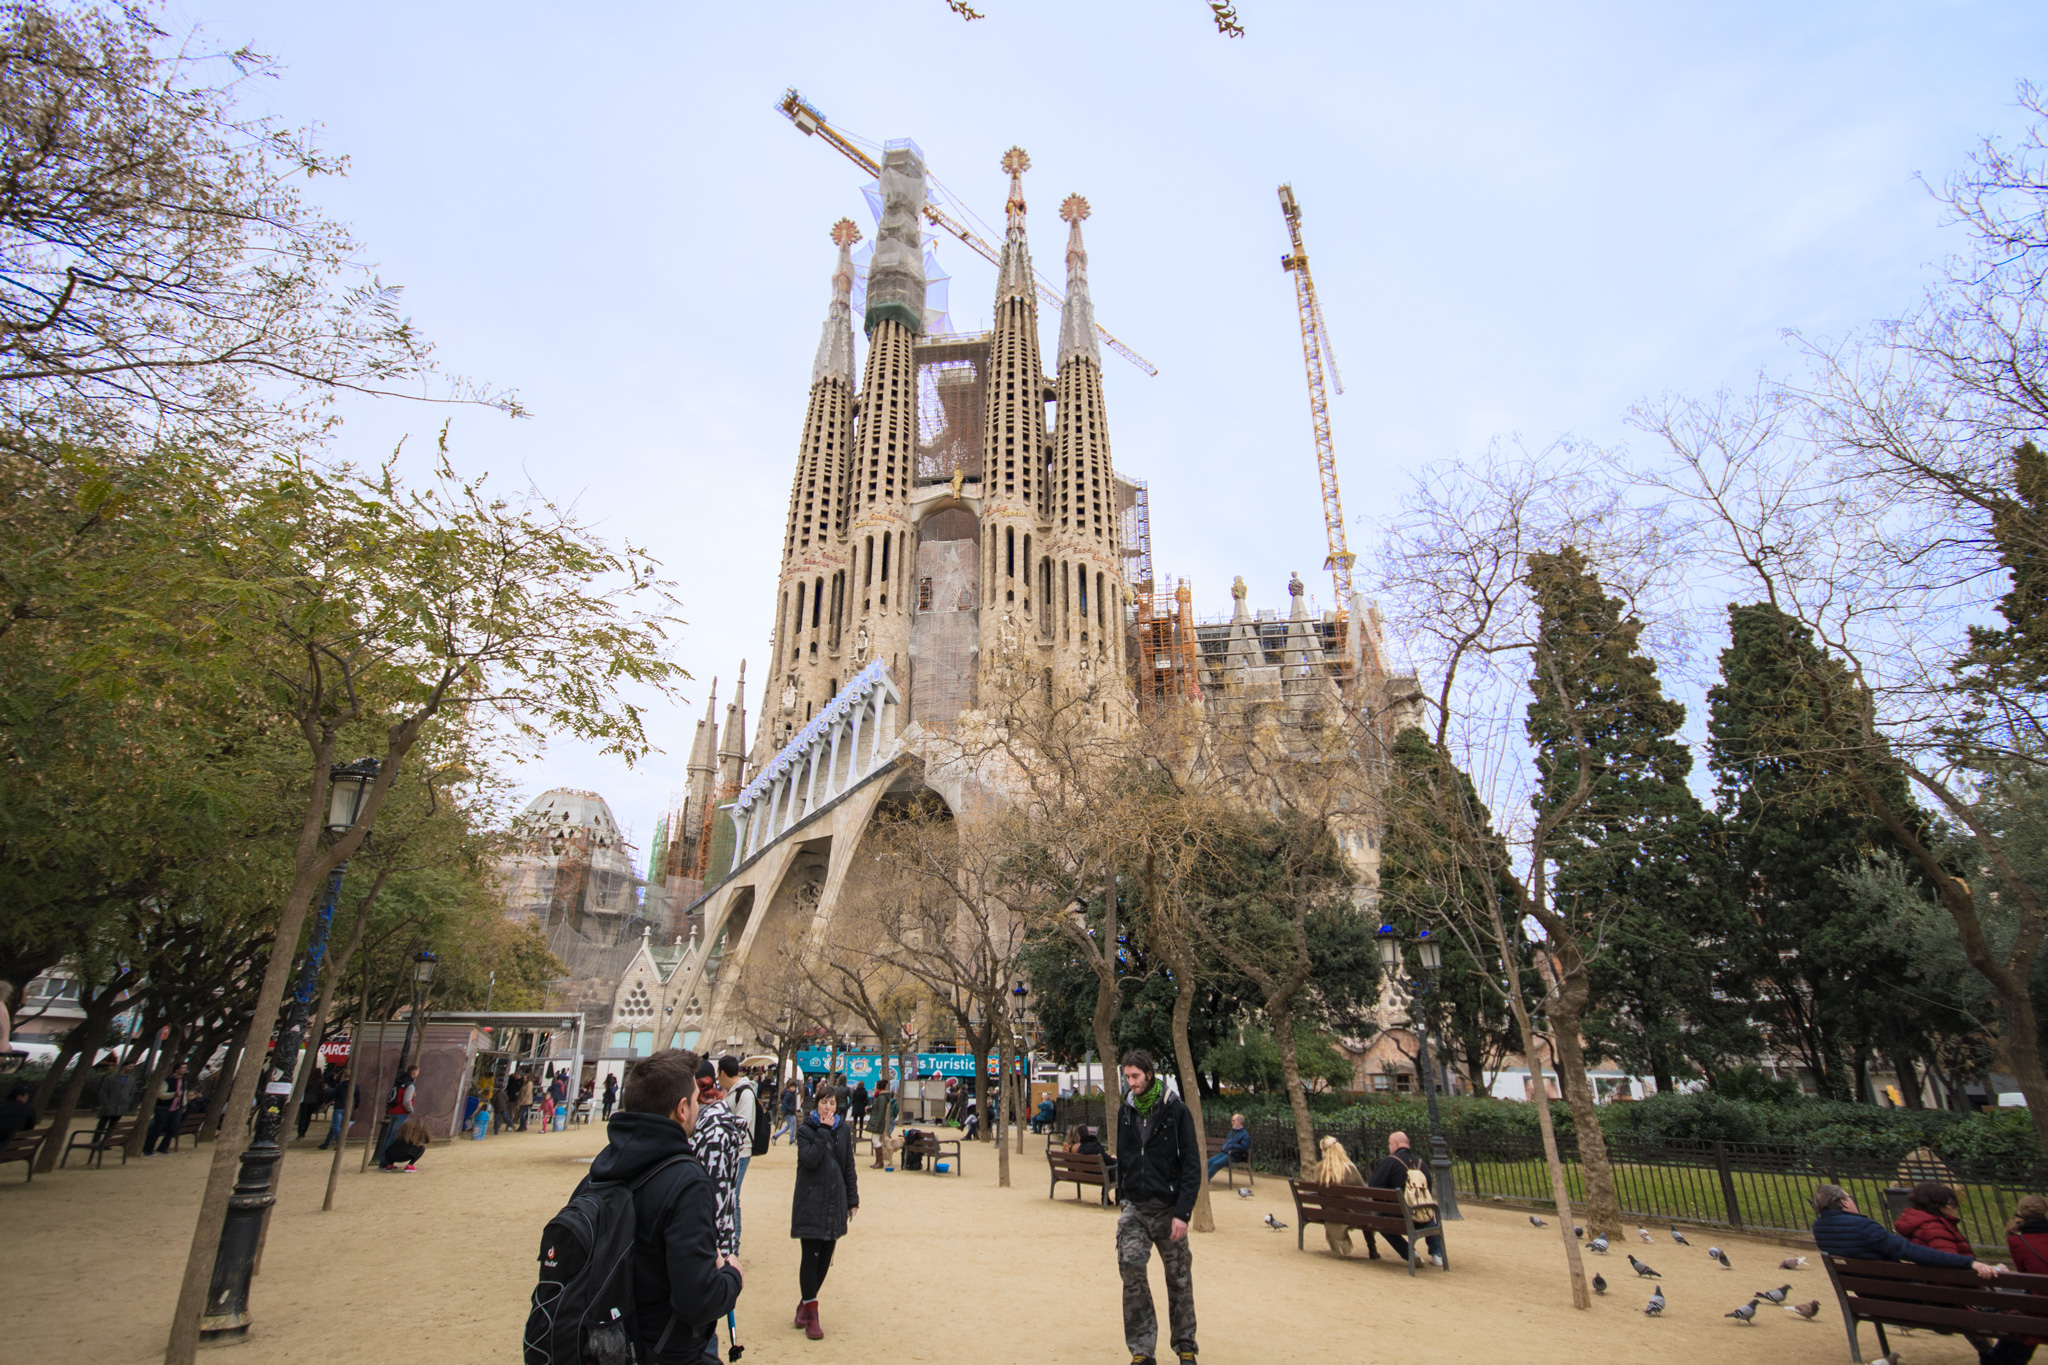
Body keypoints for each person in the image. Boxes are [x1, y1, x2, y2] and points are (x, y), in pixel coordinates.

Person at [576, 1049, 744, 1362]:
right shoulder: (686, 1181)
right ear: (682, 1108)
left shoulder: (598, 1172)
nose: (699, 1106)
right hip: (664, 1351)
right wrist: (732, 1276)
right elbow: (697, 1302)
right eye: (695, 1099)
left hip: (603, 1346)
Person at [1114, 1049, 1199, 1365]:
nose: (1131, 1083)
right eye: (1127, 1077)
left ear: (1149, 1074)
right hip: (1136, 1207)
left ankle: (1185, 1345)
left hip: (1169, 1208)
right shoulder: (1127, 1110)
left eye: (1135, 1076)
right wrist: (1125, 1192)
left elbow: (1191, 1164)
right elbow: (1125, 1151)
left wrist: (1183, 1213)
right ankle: (1142, 1349)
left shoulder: (1175, 1111)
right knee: (1131, 1269)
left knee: (1179, 1278)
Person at [1811, 1182, 2004, 1277]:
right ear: (1844, 1202)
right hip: (1903, 1293)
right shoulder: (1863, 1227)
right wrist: (1969, 1263)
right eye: (1850, 1197)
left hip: (1869, 1295)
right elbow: (1909, 1251)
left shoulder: (1820, 1228)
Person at [791, 1084, 858, 1340]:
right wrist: (823, 1130)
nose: (828, 1108)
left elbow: (848, 1166)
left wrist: (852, 1198)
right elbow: (809, 1159)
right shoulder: (807, 1129)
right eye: (824, 1103)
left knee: (825, 1257)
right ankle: (813, 1317)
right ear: (815, 1104)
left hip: (834, 1199)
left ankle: (805, 1304)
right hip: (811, 1200)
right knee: (810, 1256)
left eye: (833, 1103)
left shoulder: (844, 1129)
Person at [1366, 1131, 1443, 1266]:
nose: (1389, 1147)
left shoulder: (1389, 1162)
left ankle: (1410, 1253)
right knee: (1428, 1214)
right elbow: (1428, 1191)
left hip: (1398, 1219)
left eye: (1389, 1143)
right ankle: (1437, 1254)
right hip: (1422, 1218)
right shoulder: (1421, 1164)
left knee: (1380, 1220)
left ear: (1395, 1144)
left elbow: (1373, 1188)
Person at [1309, 1136, 1369, 1258]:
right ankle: (1372, 1249)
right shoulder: (1350, 1169)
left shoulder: (1320, 1170)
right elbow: (1364, 1193)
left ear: (1324, 1151)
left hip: (1331, 1214)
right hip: (1355, 1213)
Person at [720, 1056, 758, 1206]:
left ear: (722, 1073)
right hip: (732, 1150)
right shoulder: (731, 1093)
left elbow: (743, 1123)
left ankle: (736, 1231)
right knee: (730, 1195)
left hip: (741, 1151)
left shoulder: (744, 1093)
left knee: (733, 1196)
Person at [376, 1064, 419, 1167]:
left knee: (388, 1136)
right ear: (414, 1073)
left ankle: (383, 1159)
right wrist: (411, 1109)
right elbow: (406, 1101)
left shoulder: (399, 1082)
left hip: (393, 1111)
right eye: (417, 1072)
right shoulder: (410, 1085)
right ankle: (386, 1161)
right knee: (393, 1137)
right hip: (401, 1113)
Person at [143, 1063, 187, 1155]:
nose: (184, 1070)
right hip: (164, 1108)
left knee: (174, 1128)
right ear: (176, 1069)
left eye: (185, 1068)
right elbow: (160, 1094)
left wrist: (183, 1104)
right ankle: (148, 1149)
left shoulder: (183, 1080)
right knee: (157, 1129)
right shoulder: (167, 1080)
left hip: (176, 1109)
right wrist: (174, 1094)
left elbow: (184, 1094)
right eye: (182, 1068)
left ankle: (163, 1147)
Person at [95, 1060, 137, 1139]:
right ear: (123, 1067)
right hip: (109, 1104)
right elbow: (103, 1091)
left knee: (113, 1125)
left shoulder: (132, 1079)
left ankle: (107, 1141)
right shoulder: (110, 1078)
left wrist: (128, 1100)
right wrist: (105, 1102)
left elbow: (132, 1091)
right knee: (102, 1124)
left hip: (121, 1105)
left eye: (132, 1067)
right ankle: (95, 1140)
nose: (131, 1068)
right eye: (129, 1066)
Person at [1206, 1114, 1249, 1181]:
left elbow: (1244, 1147)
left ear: (1239, 1122)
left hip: (1233, 1155)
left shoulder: (1244, 1134)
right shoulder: (1232, 1132)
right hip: (1224, 1153)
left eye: (1233, 1121)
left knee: (1216, 1164)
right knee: (1208, 1162)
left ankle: (1204, 1181)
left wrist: (1233, 1146)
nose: (1232, 1122)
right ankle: (1199, 1179)